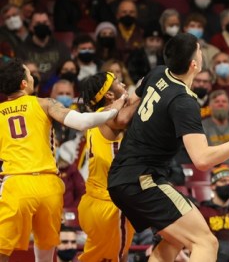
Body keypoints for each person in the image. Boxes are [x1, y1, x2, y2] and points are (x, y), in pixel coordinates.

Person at [107, 33, 229, 261]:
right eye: (199, 49)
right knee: (206, 242)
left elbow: (124, 115)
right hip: (142, 179)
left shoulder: (157, 72)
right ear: (194, 64)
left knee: (174, 240)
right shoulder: (184, 101)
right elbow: (203, 159)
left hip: (122, 176)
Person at [0, 58, 132, 262]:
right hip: (48, 185)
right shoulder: (44, 103)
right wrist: (116, 107)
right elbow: (82, 122)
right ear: (24, 84)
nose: (32, 77)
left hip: (16, 184)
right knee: (45, 249)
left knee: (2, 249)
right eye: (29, 74)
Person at [76, 72, 138, 262]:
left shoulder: (96, 117)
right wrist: (145, 90)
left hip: (95, 200)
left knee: (108, 257)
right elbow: (123, 119)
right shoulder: (107, 116)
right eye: (118, 82)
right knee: (115, 258)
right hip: (109, 203)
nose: (123, 85)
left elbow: (129, 104)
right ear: (109, 95)